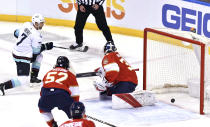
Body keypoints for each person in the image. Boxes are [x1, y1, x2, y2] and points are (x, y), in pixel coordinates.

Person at [0, 13, 53, 96]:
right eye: (41, 23)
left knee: (40, 56)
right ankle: (2, 86)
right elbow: (36, 51)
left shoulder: (26, 24)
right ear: (36, 23)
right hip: (23, 57)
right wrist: (46, 46)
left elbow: (16, 33)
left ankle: (33, 78)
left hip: (15, 52)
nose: (43, 24)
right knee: (23, 80)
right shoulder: (37, 35)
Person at [38, 56, 80, 127]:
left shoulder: (48, 73)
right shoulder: (70, 74)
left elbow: (41, 90)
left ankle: (52, 125)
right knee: (76, 117)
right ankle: (77, 123)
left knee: (43, 109)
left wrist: (45, 100)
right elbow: (75, 95)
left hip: (46, 95)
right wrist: (75, 109)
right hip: (62, 95)